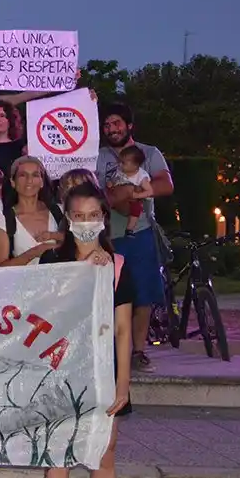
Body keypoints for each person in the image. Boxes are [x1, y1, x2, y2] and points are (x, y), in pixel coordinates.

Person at [33, 182, 141, 478]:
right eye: (77, 216)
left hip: (103, 374)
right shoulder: (52, 263)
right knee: (57, 450)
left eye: (93, 216)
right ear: (67, 217)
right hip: (60, 371)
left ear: (103, 219)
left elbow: (124, 330)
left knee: (104, 455)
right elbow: (41, 318)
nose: (85, 223)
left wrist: (123, 382)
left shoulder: (117, 267)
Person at [96, 103, 173, 372]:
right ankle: (108, 353)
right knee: (105, 296)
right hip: (103, 236)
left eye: (116, 123)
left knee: (142, 296)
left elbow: (165, 184)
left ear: (129, 125)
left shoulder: (149, 154)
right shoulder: (96, 155)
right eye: (106, 124)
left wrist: (134, 193)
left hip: (139, 233)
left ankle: (138, 351)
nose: (111, 129)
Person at [0, 156, 66, 267]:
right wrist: (35, 252)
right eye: (23, 175)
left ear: (42, 182)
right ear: (13, 182)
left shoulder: (60, 211)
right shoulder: (4, 220)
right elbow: (0, 268)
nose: (29, 180)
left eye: (35, 175)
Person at [109, 145, 151, 234]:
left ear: (135, 165)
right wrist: (111, 183)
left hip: (133, 200)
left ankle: (130, 228)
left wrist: (137, 195)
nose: (120, 164)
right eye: (119, 162)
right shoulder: (120, 170)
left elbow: (150, 191)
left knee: (136, 209)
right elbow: (115, 179)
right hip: (117, 197)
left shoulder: (142, 176)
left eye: (123, 163)